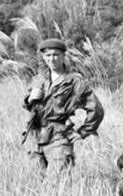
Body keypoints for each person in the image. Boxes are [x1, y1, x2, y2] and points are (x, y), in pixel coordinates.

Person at [23, 38, 104, 173]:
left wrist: (82, 132)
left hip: (58, 137)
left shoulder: (74, 81)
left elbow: (96, 109)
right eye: (48, 55)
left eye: (56, 55)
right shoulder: (39, 79)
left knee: (58, 182)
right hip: (35, 136)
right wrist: (29, 100)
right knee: (37, 183)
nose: (52, 59)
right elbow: (29, 106)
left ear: (63, 56)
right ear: (43, 57)